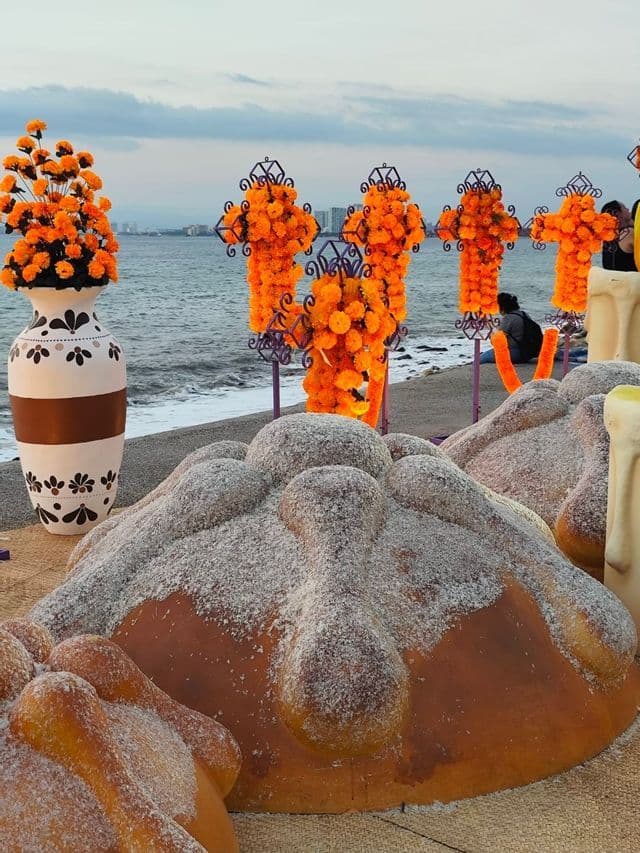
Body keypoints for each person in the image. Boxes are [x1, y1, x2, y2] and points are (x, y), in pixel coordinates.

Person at [480, 293, 533, 364]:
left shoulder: (508, 318)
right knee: (484, 354)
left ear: (502, 307)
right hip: (528, 352)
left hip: (515, 353)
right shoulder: (524, 314)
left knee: (479, 359)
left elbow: (497, 343)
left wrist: (490, 330)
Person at [601, 200, 636, 271]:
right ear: (617, 213)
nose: (628, 209)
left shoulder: (607, 239)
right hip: (630, 280)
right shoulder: (628, 233)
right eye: (624, 208)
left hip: (612, 280)